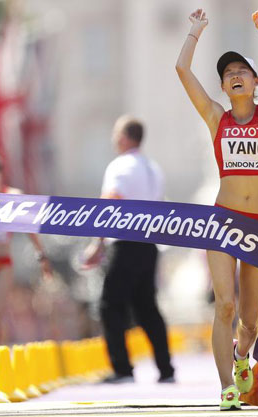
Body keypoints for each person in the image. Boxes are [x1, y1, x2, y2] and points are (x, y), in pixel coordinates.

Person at [175, 8, 258, 411]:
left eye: (243, 70)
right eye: (228, 73)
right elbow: (182, 70)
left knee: (251, 321)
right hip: (222, 223)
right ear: (224, 87)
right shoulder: (215, 118)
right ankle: (227, 386)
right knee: (223, 305)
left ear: (256, 82)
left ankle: (243, 358)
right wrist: (195, 31)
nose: (235, 75)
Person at [82, 116, 175, 384]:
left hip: (125, 243)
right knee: (147, 308)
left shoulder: (120, 166)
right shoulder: (153, 167)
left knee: (111, 305)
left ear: (124, 137)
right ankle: (165, 368)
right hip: (149, 244)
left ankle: (122, 369)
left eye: (115, 133)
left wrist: (97, 242)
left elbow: (111, 201)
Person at [0, 149, 52, 350]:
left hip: (1, 263)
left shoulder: (13, 197)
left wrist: (41, 256)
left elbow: (30, 228)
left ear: (0, 175)